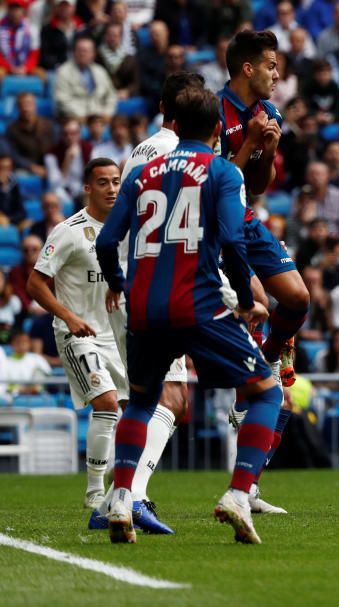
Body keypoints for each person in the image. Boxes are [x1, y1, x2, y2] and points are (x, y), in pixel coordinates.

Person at [96, 87, 279, 545]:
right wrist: (245, 297)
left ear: (173, 126)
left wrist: (120, 287)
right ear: (218, 129)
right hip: (198, 305)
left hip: (143, 309)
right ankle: (239, 494)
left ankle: (121, 497)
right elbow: (235, 243)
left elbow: (105, 243)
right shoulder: (222, 172)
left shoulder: (141, 173)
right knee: (265, 392)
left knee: (140, 401)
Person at [26, 157, 175, 534]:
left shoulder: (129, 228)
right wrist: (69, 317)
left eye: (115, 182)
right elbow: (35, 284)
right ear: (87, 188)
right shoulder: (68, 231)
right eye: (103, 182)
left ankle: (119, 496)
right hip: (78, 332)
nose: (111, 188)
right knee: (107, 405)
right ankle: (95, 494)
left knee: (136, 412)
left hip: (118, 333)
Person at [218, 30, 310, 390]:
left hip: (245, 217)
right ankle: (251, 382)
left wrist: (268, 150)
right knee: (257, 303)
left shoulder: (269, 112)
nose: (277, 76)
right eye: (271, 67)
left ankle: (270, 357)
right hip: (214, 226)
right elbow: (213, 185)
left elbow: (257, 185)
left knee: (298, 298)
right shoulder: (215, 113)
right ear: (247, 69)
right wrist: (252, 142)